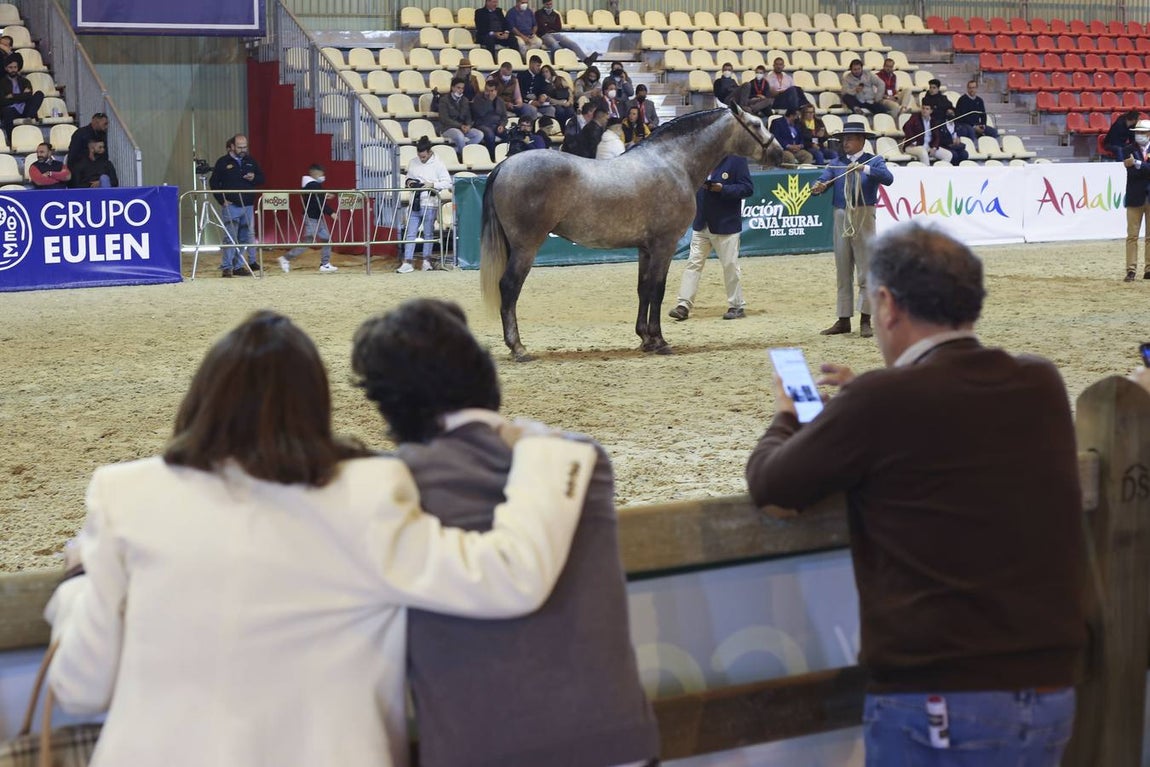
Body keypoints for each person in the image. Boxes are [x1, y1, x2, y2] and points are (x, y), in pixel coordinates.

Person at [45, 310, 598, 767]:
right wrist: (548, 453)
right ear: (315, 404)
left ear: (202, 396)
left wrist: (78, 584)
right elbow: (507, 578)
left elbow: (81, 688)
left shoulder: (124, 492)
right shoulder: (369, 491)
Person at [745, 223, 1087, 767]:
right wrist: (869, 392)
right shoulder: (1039, 382)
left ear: (886, 304)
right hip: (1048, 687)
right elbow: (948, 416)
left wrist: (787, 415)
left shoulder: (882, 400)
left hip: (940, 692)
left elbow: (773, 484)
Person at [350, 298, 660, 767]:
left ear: (390, 406)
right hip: (619, 742)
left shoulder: (388, 484)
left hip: (482, 748)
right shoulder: (584, 459)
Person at [809, 117, 894, 337]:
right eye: (844, 139)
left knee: (866, 267)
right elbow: (823, 179)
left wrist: (864, 169)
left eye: (849, 139)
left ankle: (866, 319)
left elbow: (888, 178)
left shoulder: (873, 160)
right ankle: (843, 318)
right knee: (842, 266)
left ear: (861, 141)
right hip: (840, 214)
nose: (845, 143)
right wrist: (817, 187)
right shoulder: (836, 163)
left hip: (864, 214)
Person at [668, 154, 754, 321]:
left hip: (726, 224)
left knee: (730, 265)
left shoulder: (737, 160)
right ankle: (683, 305)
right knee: (693, 263)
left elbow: (747, 188)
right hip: (702, 222)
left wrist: (723, 189)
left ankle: (736, 305)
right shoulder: (702, 158)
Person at [209, 134, 265, 276]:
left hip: (247, 205)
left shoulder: (251, 161)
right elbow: (214, 183)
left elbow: (261, 178)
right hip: (231, 205)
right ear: (232, 146)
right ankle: (227, 267)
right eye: (239, 147)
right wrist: (221, 200)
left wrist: (254, 178)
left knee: (244, 237)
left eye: (245, 147)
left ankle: (238, 266)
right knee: (230, 236)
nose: (242, 150)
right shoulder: (222, 162)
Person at [400, 137, 451, 274]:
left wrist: (432, 185)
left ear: (429, 153)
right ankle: (407, 261)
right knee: (410, 233)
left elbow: (447, 182)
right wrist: (410, 183)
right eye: (419, 156)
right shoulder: (413, 162)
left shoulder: (438, 164)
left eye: (423, 156)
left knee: (428, 233)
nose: (421, 159)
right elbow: (408, 179)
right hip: (415, 202)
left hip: (430, 203)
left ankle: (426, 261)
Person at [280, 163, 337, 274]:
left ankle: (325, 264)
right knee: (308, 242)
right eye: (321, 173)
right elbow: (317, 202)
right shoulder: (314, 185)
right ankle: (285, 258)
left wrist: (324, 195)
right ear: (315, 173)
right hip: (312, 217)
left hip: (315, 217)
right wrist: (331, 213)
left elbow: (315, 198)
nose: (323, 176)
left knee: (326, 239)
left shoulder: (310, 185)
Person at [1122, 119, 1150, 282]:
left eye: (1142, 132)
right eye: (1137, 132)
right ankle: (1131, 269)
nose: (1139, 135)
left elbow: (1135, 167)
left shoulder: (1134, 155)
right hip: (1135, 196)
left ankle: (1148, 268)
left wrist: (1138, 163)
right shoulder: (1128, 149)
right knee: (1132, 235)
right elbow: (1131, 172)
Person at [534, 0, 598, 66]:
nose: (549, 6)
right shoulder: (538, 14)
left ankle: (586, 60)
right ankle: (556, 62)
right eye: (547, 5)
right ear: (544, 4)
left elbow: (559, 27)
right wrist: (551, 26)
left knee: (572, 43)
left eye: (550, 4)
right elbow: (541, 27)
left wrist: (547, 24)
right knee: (555, 45)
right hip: (544, 34)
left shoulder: (555, 14)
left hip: (555, 33)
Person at [0, 55, 44, 143]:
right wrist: (22, 96)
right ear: (6, 68)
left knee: (39, 94)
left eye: (15, 67)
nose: (13, 70)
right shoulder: (2, 83)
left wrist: (12, 96)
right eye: (10, 67)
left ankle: (29, 117)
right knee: (6, 111)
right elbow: (2, 101)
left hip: (25, 109)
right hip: (11, 110)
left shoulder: (25, 81)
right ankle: (11, 140)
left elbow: (29, 96)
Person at [439, 77, 484, 156]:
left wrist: (468, 126)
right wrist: (460, 126)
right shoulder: (444, 100)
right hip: (448, 128)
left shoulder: (465, 100)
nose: (460, 90)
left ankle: (458, 150)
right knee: (459, 135)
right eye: (458, 88)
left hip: (463, 128)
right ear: (452, 88)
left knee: (479, 134)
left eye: (462, 88)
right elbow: (444, 119)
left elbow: (468, 117)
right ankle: (465, 156)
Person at [471, 77, 509, 152]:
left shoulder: (500, 101)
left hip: (496, 125)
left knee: (508, 134)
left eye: (491, 91)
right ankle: (492, 156)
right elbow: (480, 113)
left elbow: (504, 116)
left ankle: (502, 153)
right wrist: (489, 101)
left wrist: (502, 125)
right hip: (482, 124)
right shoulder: (478, 98)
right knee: (490, 135)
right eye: (486, 90)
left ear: (496, 91)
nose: (488, 93)